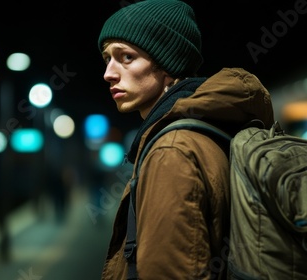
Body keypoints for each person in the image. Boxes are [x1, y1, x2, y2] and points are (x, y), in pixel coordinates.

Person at [98, 0, 275, 278]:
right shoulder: (211, 129)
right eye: (107, 58)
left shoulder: (173, 149)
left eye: (126, 57)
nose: (108, 73)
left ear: (167, 63)